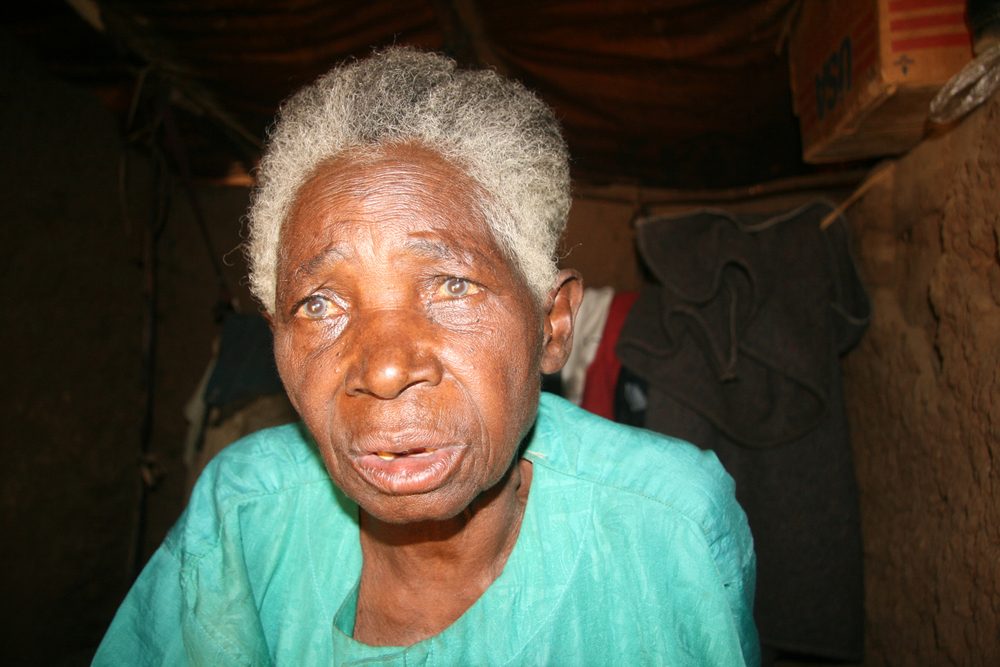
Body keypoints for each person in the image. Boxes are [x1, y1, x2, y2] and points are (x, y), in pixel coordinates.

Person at [94, 48, 759, 666]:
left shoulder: (672, 529)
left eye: (453, 285)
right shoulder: (242, 517)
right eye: (321, 304)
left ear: (551, 324)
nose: (384, 369)